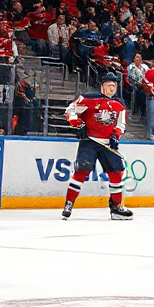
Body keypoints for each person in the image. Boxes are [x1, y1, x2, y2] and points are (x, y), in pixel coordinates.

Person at [61, 72, 131, 220]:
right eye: (109, 85)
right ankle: (69, 203)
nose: (112, 88)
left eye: (114, 85)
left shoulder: (119, 104)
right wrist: (76, 123)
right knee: (82, 170)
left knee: (116, 172)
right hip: (89, 141)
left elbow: (120, 124)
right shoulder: (88, 99)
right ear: (102, 86)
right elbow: (70, 111)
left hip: (107, 144)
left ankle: (116, 208)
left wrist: (115, 136)